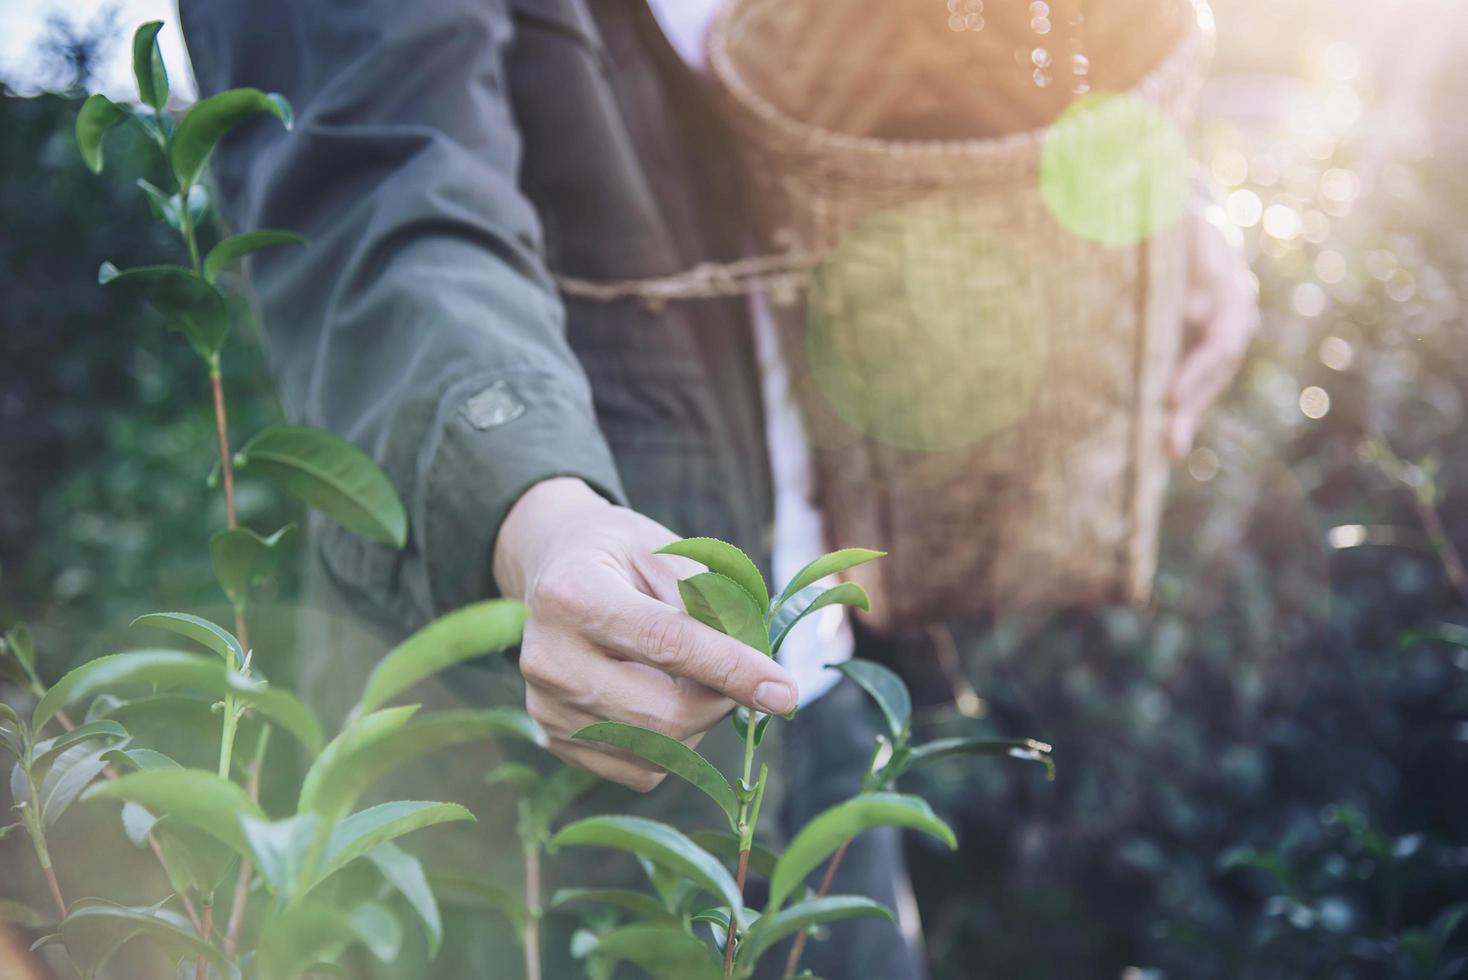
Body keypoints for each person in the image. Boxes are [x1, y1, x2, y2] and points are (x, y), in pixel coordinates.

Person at [180, 1, 1256, 976]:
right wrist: (542, 509)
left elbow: (960, 61)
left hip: (824, 678)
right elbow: (376, 186)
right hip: (561, 713)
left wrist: (1158, 192)